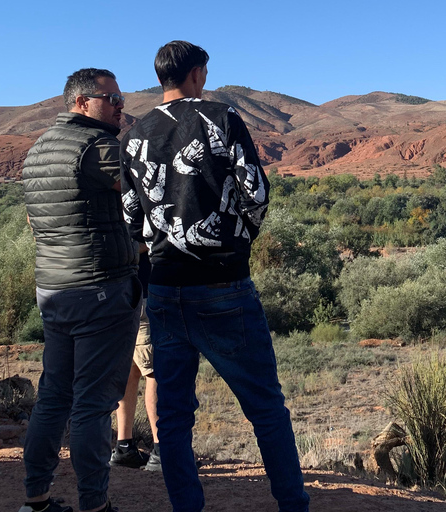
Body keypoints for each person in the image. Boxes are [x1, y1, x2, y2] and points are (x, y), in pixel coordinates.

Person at [120, 40, 310, 512]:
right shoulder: (221, 118)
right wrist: (236, 242)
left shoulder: (135, 135)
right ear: (198, 74)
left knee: (174, 417)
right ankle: (293, 505)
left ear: (161, 76)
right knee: (266, 408)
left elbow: (130, 217)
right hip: (223, 283)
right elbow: (256, 192)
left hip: (163, 288)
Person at [21, 68, 142, 512]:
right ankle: (94, 505)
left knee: (53, 396)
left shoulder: (38, 150)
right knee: (93, 403)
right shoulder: (97, 146)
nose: (120, 106)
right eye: (111, 99)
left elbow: (37, 222)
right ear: (81, 102)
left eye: (120, 98)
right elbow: (146, 194)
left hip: (53, 289)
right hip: (100, 290)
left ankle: (36, 499)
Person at [110, 253, 162, 471]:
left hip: (115, 294)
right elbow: (139, 240)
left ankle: (124, 445)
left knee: (129, 369)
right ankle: (162, 451)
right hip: (144, 291)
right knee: (156, 372)